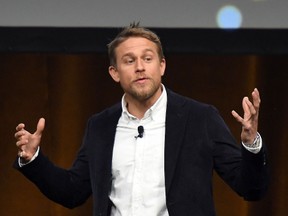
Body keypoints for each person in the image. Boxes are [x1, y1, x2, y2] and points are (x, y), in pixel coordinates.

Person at [14, 23, 268, 216]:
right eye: (129, 60)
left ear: (162, 66)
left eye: (148, 58)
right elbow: (73, 192)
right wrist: (33, 160)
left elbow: (250, 188)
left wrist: (251, 144)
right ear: (114, 73)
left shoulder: (199, 118)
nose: (140, 67)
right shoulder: (101, 126)